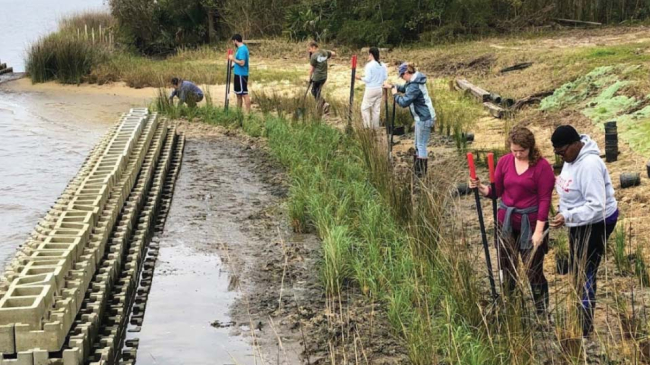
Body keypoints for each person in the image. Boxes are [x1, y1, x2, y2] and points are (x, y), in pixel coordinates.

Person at [469, 127, 555, 314]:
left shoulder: (542, 167)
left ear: (530, 148)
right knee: (506, 265)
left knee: (533, 268)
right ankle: (511, 305)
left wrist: (539, 231)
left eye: (521, 151)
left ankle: (541, 310)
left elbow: (544, 201)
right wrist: (481, 187)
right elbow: (496, 191)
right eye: (514, 150)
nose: (517, 154)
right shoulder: (505, 162)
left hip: (531, 224)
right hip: (506, 223)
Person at [550, 125, 619, 337]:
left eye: (562, 152)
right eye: (557, 154)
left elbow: (596, 206)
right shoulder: (571, 159)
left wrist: (568, 215)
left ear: (575, 144)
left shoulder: (589, 165)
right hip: (578, 222)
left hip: (597, 221)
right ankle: (580, 310)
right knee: (578, 265)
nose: (561, 157)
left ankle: (585, 324)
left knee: (587, 268)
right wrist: (564, 211)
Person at [383, 63, 435, 177]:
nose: (402, 78)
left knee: (421, 145)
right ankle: (418, 172)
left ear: (406, 73)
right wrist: (392, 86)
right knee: (417, 144)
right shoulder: (413, 81)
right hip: (420, 117)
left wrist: (395, 95)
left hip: (424, 118)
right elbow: (404, 87)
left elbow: (404, 102)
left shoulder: (414, 85)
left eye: (402, 76)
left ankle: (421, 175)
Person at [355, 47, 388, 128]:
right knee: (376, 110)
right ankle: (376, 128)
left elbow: (368, 79)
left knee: (364, 108)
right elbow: (385, 77)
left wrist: (359, 77)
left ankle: (367, 127)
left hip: (371, 89)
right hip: (379, 89)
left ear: (371, 54)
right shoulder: (383, 65)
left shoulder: (369, 65)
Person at [308, 41, 336, 113]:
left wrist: (309, 78)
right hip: (324, 77)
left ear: (314, 47)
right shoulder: (324, 52)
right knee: (318, 91)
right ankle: (320, 107)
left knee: (313, 91)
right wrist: (327, 51)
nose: (309, 51)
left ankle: (324, 104)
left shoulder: (313, 56)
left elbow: (311, 69)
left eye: (310, 49)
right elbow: (333, 53)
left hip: (317, 77)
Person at [229, 34, 251, 113]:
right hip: (237, 74)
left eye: (233, 42)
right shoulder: (239, 49)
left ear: (235, 41)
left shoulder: (242, 49)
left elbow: (242, 63)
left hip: (242, 75)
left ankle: (248, 113)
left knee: (244, 93)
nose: (233, 43)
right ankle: (238, 112)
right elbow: (238, 62)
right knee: (238, 94)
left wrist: (233, 59)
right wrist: (233, 65)